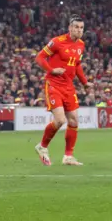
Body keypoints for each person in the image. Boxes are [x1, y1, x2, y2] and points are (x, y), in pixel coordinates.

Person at [34, 15, 93, 166]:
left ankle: (68, 156)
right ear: (70, 28)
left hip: (69, 86)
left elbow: (77, 65)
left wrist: (85, 83)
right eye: (76, 27)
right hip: (53, 84)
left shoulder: (81, 45)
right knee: (60, 120)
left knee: (73, 120)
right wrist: (51, 70)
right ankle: (42, 146)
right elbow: (39, 58)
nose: (79, 30)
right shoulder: (57, 42)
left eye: (81, 28)